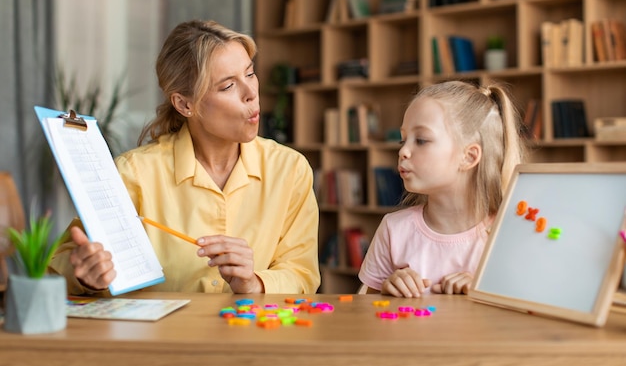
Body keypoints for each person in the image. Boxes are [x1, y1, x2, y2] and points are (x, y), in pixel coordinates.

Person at [49, 20, 321, 295]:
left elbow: (302, 275)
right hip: (158, 338)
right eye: (227, 86)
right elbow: (58, 268)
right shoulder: (133, 174)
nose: (251, 94)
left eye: (250, 74)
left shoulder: (290, 169)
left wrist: (254, 283)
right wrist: (85, 275)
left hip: (252, 336)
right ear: (184, 104)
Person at [358, 80, 525, 297]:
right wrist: (387, 291)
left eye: (421, 140)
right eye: (403, 141)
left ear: (469, 156)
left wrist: (483, 291)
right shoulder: (393, 230)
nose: (403, 152)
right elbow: (364, 316)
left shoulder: (508, 235)